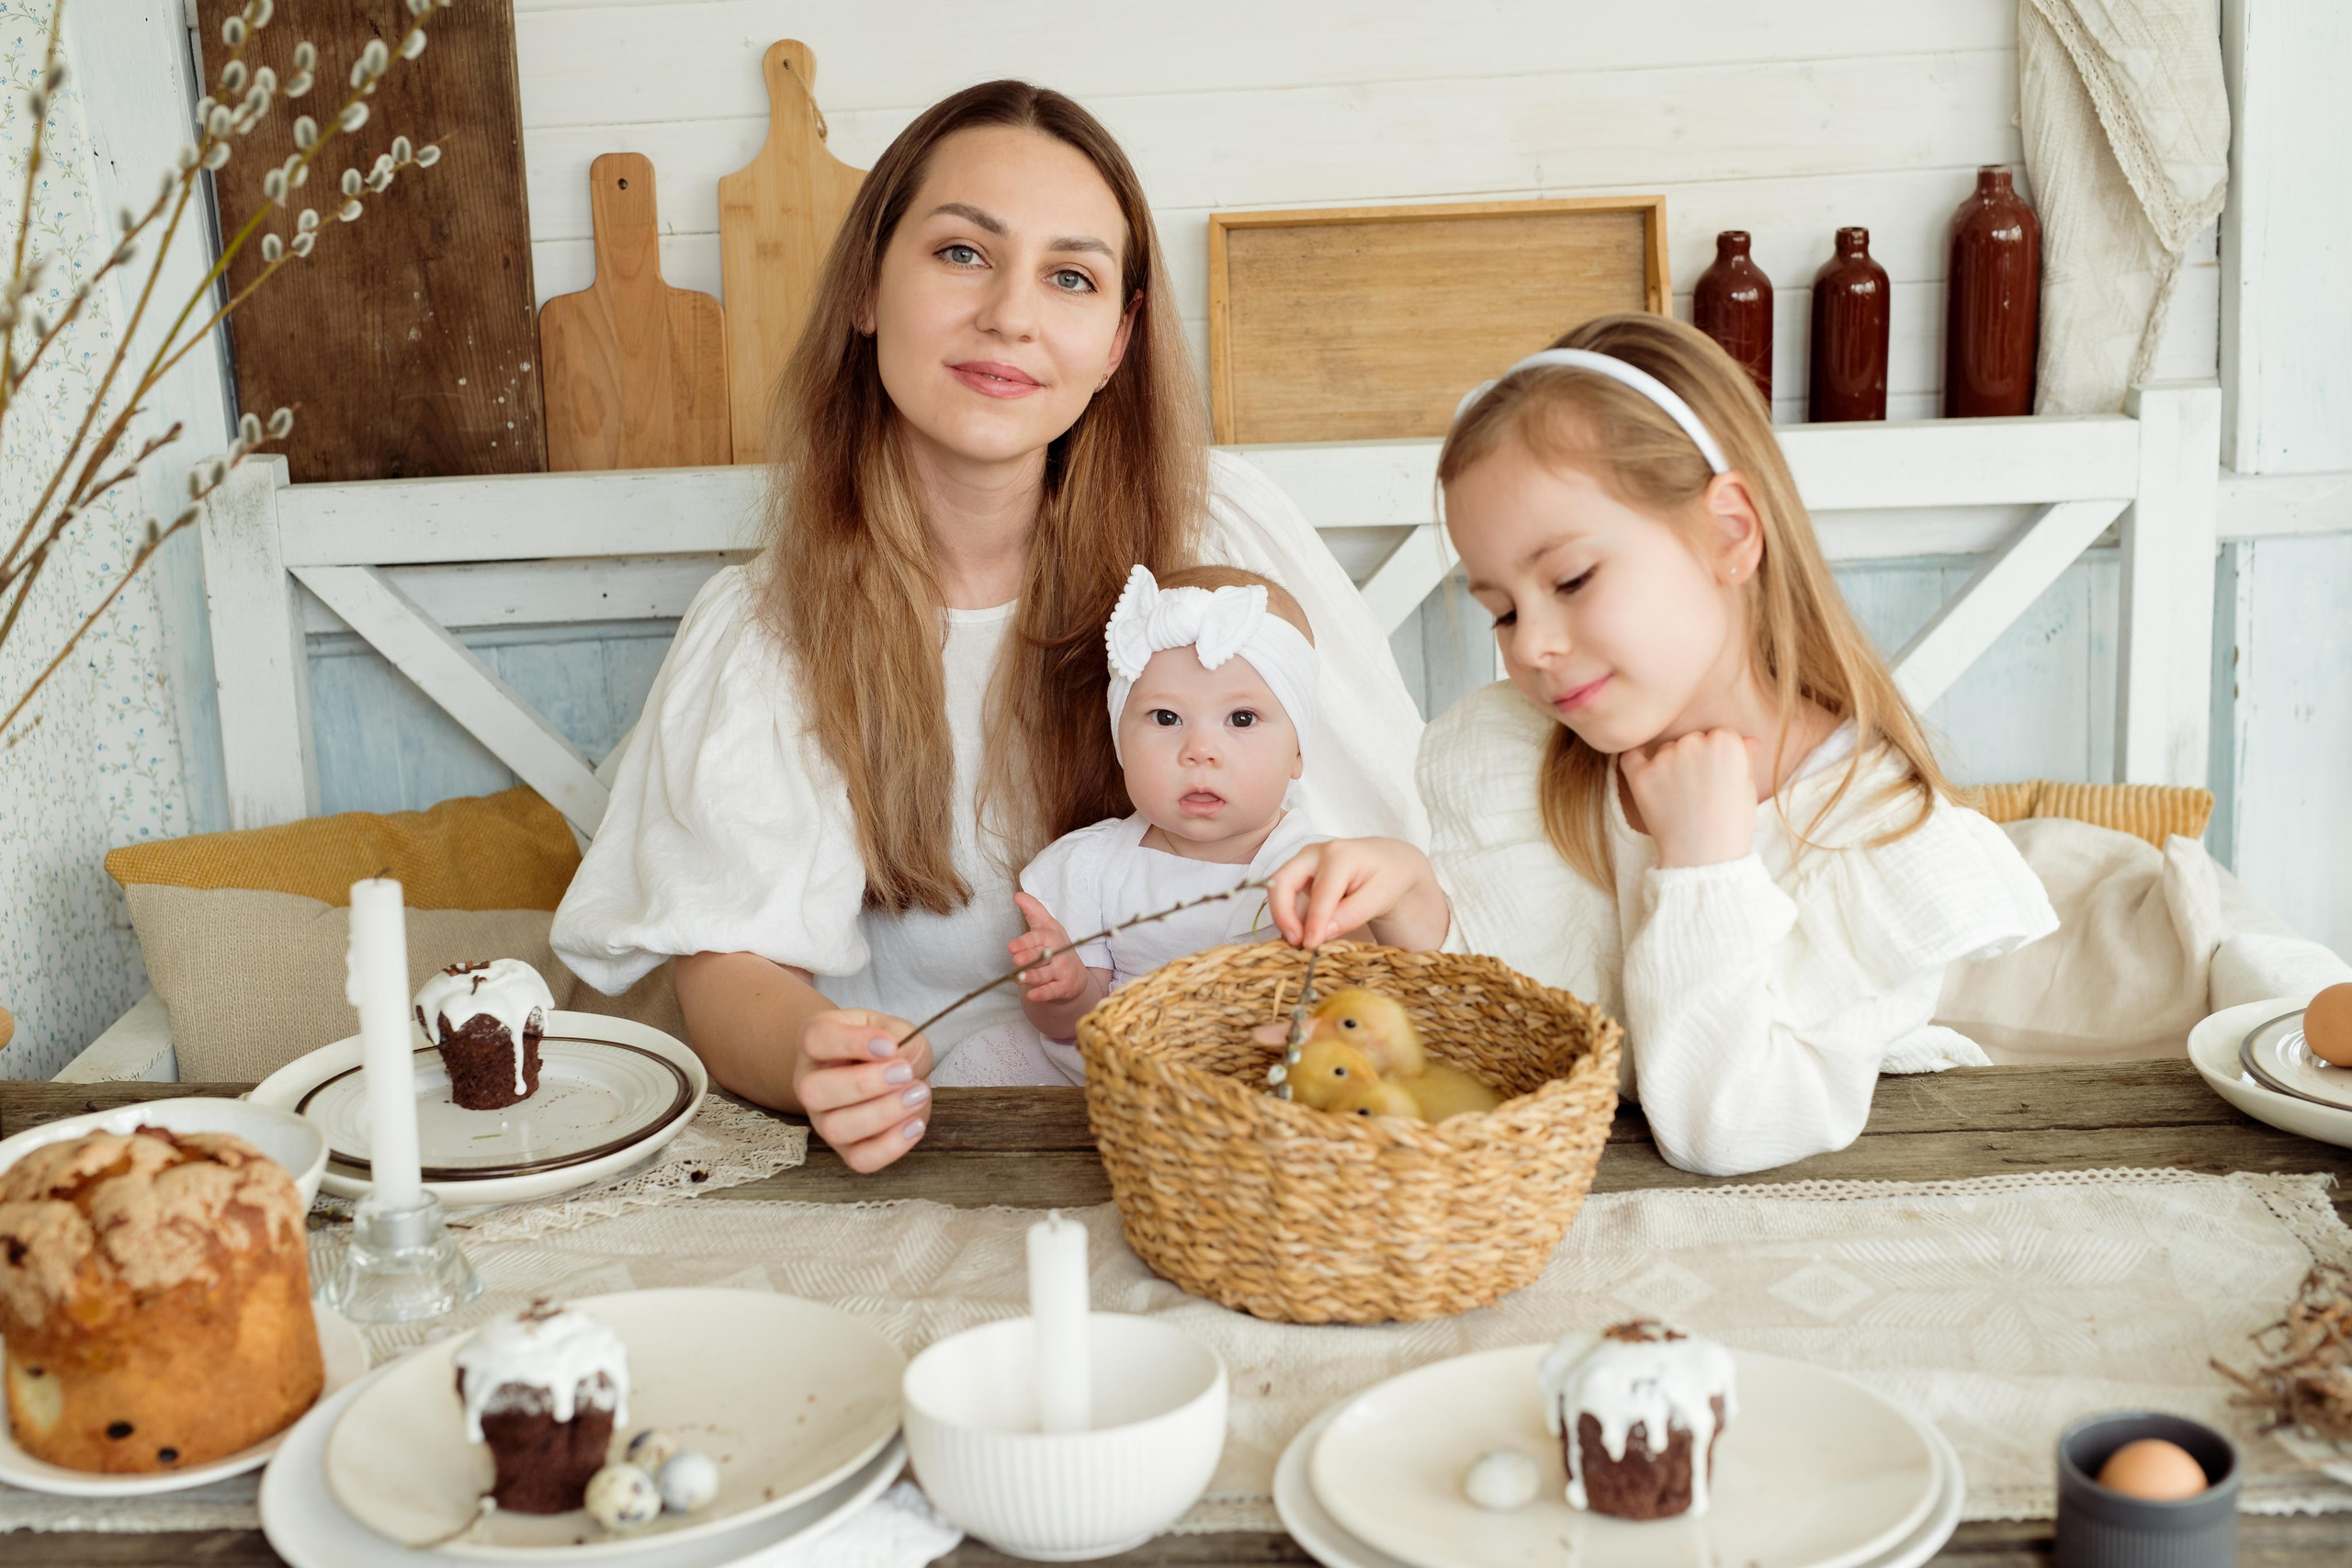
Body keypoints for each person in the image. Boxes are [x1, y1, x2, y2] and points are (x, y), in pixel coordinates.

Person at [549, 81, 1425, 1172]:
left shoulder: (1226, 545)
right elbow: (728, 966)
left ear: (1117, 340)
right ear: (868, 286)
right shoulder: (770, 630)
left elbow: (1370, 873)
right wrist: (814, 1057)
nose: (1012, 314)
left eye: (1069, 276)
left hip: (1225, 1150)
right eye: (963, 253)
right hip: (943, 1149)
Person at [1267, 314, 2057, 1178]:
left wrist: (1704, 870)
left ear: (1729, 533)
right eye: (1500, 607)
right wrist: (1418, 902)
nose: (1529, 642)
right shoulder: (1533, 755)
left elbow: (1721, 1128)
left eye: (1570, 579)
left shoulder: (1867, 829)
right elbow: (1536, 1021)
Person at [950, 564, 1341, 1085]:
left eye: (1241, 719)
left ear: (1297, 751)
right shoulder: (1094, 866)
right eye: (1166, 718)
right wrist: (1061, 988)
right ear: (1120, 743)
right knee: (988, 1060)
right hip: (1106, 1078)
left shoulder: (1316, 870)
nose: (1200, 751)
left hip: (1247, 1087)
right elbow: (1072, 1028)